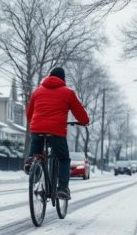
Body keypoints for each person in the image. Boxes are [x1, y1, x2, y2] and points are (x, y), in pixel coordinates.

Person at [25, 67, 89, 200]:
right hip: (56, 131)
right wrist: (84, 121)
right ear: (63, 79)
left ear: (49, 77)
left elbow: (29, 113)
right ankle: (62, 189)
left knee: (36, 150)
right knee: (64, 159)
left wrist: (35, 123)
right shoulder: (68, 93)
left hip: (37, 128)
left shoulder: (37, 91)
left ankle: (32, 161)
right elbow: (80, 113)